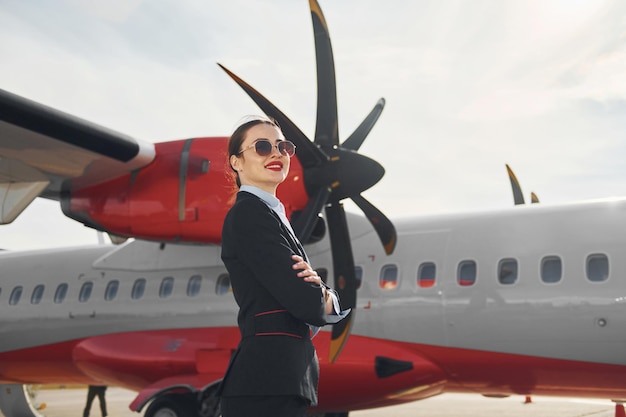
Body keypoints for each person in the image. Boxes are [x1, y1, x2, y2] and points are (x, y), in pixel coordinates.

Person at [219, 116, 347, 417]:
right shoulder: (250, 215)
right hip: (266, 385)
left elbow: (314, 302)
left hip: (282, 380)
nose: (277, 153)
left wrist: (320, 293)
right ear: (237, 162)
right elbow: (307, 304)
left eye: (283, 146)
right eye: (262, 146)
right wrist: (323, 295)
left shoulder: (273, 216)